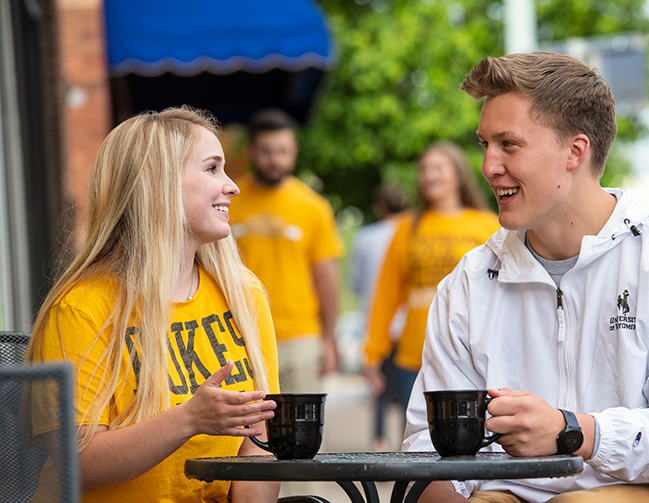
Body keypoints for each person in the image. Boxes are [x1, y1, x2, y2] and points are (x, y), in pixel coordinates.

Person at [402, 52, 649, 502]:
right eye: (484, 145)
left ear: (575, 151)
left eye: (509, 144)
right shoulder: (468, 283)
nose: (489, 166)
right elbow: (425, 445)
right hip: (514, 491)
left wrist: (573, 431)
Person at [25, 106, 280, 502]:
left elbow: (260, 441)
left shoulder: (244, 294)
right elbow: (74, 462)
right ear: (159, 183)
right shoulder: (82, 306)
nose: (233, 186)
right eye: (212, 169)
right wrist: (189, 419)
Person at [364, 141, 499, 421]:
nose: (428, 175)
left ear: (458, 175)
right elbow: (386, 294)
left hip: (473, 355)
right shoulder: (406, 228)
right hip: (415, 357)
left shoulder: (488, 225)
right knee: (418, 448)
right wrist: (372, 354)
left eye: (438, 168)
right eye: (423, 169)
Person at [230, 108, 344, 393]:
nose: (274, 159)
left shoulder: (313, 206)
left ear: (294, 150)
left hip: (300, 338)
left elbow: (327, 278)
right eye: (266, 151)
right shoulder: (230, 202)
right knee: (247, 432)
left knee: (302, 433)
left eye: (282, 151)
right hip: (241, 334)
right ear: (251, 151)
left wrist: (329, 339)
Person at [349, 183, 409, 451]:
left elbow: (356, 283)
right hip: (408, 322)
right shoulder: (412, 233)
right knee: (410, 386)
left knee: (380, 387)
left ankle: (379, 440)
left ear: (379, 207)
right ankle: (408, 441)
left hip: (377, 321)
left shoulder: (366, 237)